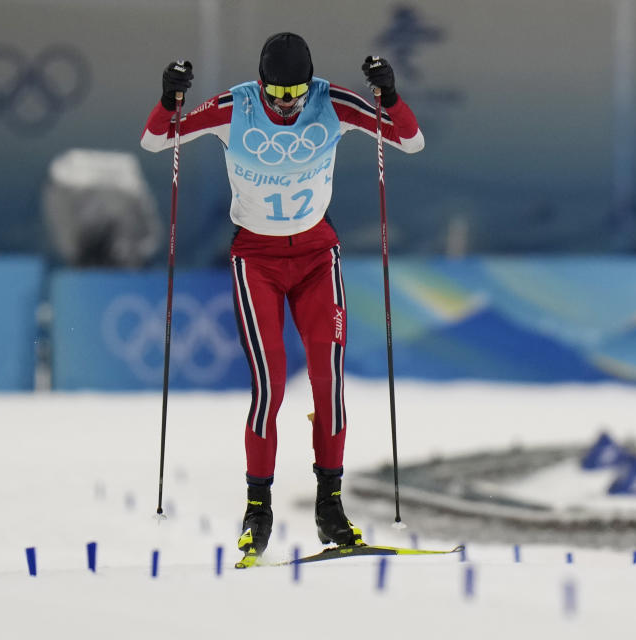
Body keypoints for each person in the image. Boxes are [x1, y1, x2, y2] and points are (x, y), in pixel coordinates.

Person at [140, 32, 424, 564]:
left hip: (318, 256)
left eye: (297, 89)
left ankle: (330, 506)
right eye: (277, 91)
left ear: (310, 80)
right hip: (258, 262)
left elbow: (409, 140)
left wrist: (389, 96)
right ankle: (258, 509)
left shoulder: (332, 102)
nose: (288, 101)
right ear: (261, 82)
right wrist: (168, 98)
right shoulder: (235, 106)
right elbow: (157, 139)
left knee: (329, 383)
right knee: (269, 388)